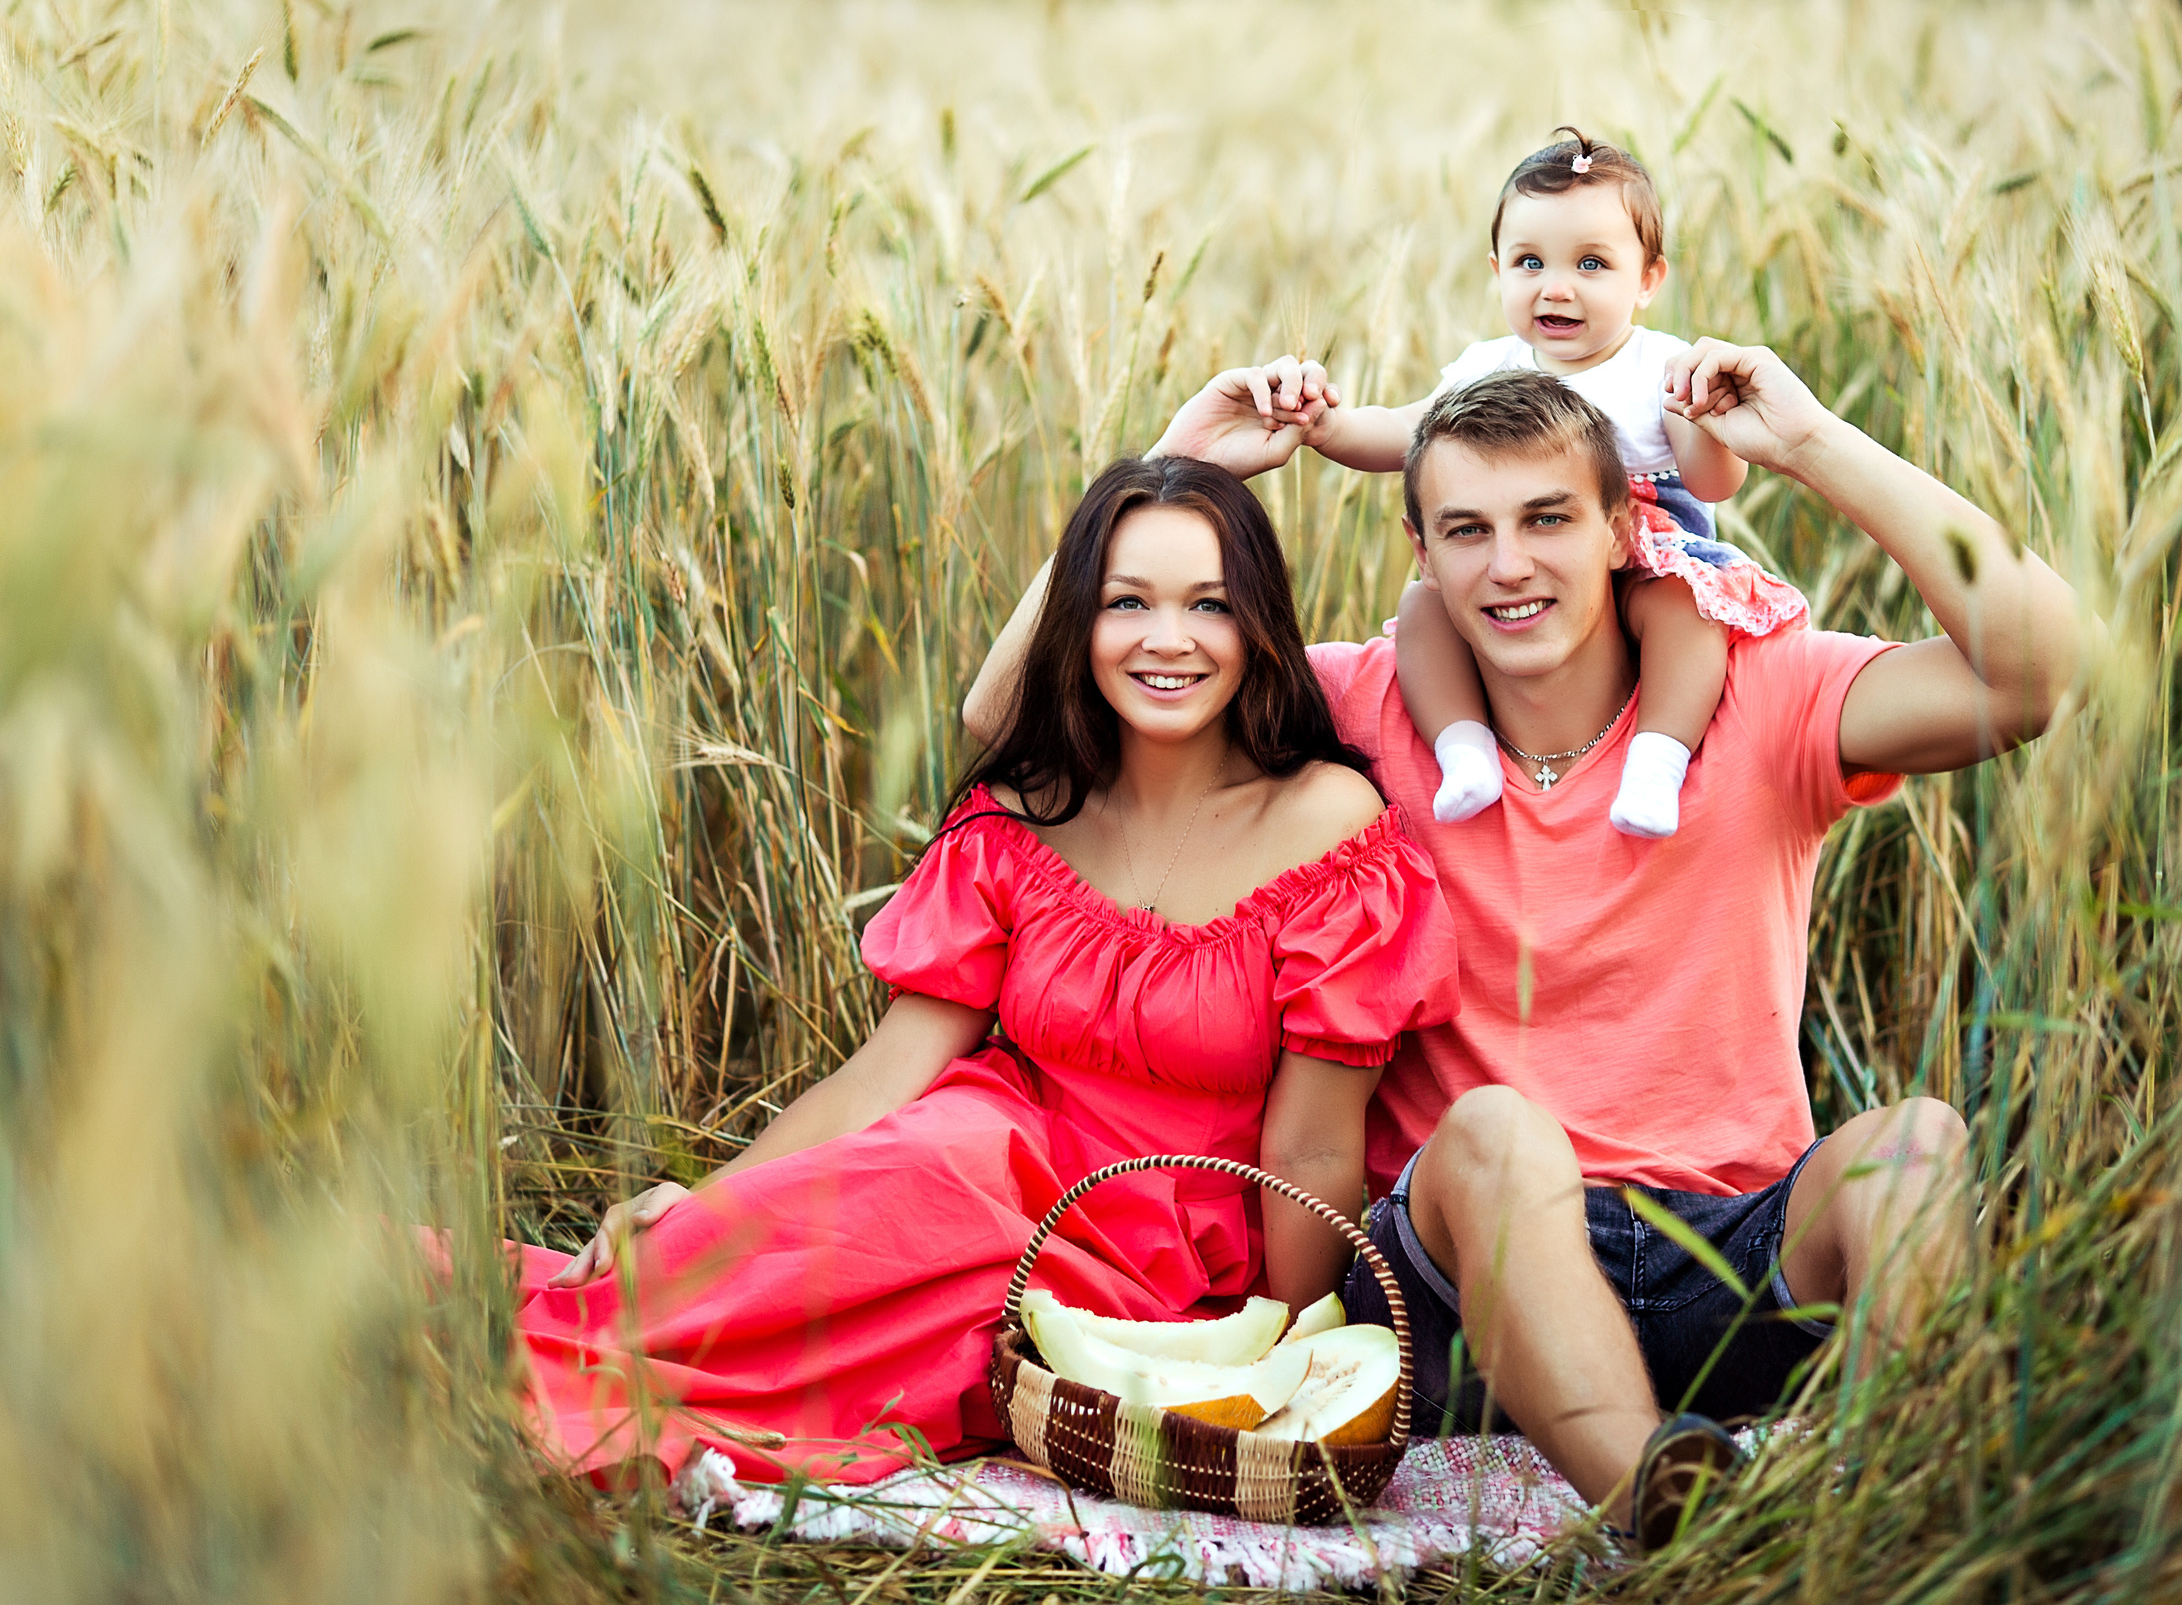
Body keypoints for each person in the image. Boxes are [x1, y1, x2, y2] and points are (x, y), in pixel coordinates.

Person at [965, 345, 2083, 1549]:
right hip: (1453, 1280)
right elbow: (1013, 721)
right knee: (1497, 1132)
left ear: (1619, 527)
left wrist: (1809, 443)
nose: (1508, 566)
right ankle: (1676, 1511)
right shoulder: (1363, 710)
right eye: (1466, 530)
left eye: (1547, 519)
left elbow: (2032, 677)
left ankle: (1914, 1512)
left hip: (1727, 1247)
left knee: (1913, 1144)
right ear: (1421, 556)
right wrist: (1174, 461)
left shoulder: (1759, 698)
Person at [514, 457, 1457, 1489]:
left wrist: (1280, 1355)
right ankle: (533, 1359)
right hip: (974, 1157)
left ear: (1259, 626)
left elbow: (1314, 1143)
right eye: (1125, 602)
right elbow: (885, 1076)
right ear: (1077, 624)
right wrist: (706, 1202)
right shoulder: (1024, 811)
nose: (1167, 639)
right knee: (848, 1216)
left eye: (1209, 605)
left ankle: (563, 1388)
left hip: (1148, 1257)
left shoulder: (1324, 822)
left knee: (904, 1330)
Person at [1224, 128, 1808, 839]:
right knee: (1423, 609)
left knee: (1687, 615)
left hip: (1651, 552)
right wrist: (1323, 425)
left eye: (1592, 263)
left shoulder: (1664, 366)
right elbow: (1403, 431)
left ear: (1649, 279)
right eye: (1530, 262)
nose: (1555, 287)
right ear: (1497, 269)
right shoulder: (1487, 365)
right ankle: (1462, 750)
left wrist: (1707, 413)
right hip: (1529, 562)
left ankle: (1659, 759)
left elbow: (1711, 483)